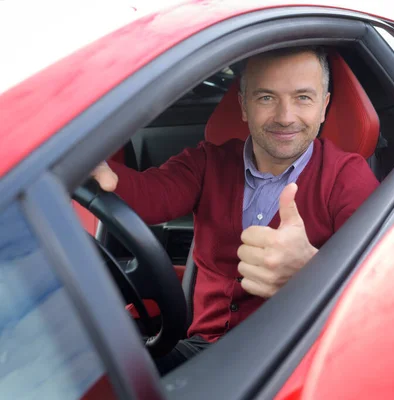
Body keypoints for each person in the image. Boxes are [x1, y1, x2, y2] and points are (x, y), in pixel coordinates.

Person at [92, 45, 379, 374]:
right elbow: (152, 195)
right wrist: (105, 175)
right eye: (266, 98)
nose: (285, 116)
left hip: (295, 358)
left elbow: (380, 286)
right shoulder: (208, 162)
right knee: (100, 371)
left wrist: (310, 272)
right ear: (243, 105)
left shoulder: (347, 177)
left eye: (303, 98)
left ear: (324, 106)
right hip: (205, 350)